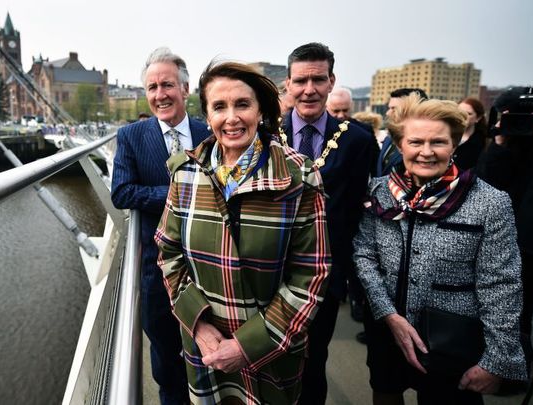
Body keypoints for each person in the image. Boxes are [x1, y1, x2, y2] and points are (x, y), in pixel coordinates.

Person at [154, 61, 330, 404]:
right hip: (207, 348)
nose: (231, 117)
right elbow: (169, 254)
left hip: (272, 352)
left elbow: (311, 275)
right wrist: (199, 326)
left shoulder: (300, 177)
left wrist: (247, 345)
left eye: (242, 104)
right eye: (219, 107)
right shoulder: (186, 174)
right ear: (207, 115)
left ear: (260, 109)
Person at [354, 93, 527, 405]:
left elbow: (501, 285)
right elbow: (364, 255)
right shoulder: (377, 192)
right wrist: (388, 314)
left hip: (453, 342)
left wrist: (496, 359)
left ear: (455, 144)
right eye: (415, 142)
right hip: (386, 331)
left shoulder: (490, 202)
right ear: (399, 144)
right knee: (385, 393)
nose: (426, 152)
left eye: (439, 142)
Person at [111, 47, 209, 405]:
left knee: (213, 361)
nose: (159, 95)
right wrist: (177, 192)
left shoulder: (210, 132)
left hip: (212, 269)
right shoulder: (131, 136)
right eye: (151, 87)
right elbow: (121, 191)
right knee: (167, 367)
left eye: (167, 85)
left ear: (185, 89)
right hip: (158, 272)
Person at [281, 42, 376, 404]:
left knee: (313, 363)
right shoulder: (264, 136)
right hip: (267, 272)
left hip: (325, 276)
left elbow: (358, 212)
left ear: (331, 80)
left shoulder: (358, 141)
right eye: (301, 80)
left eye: (318, 79)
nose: (309, 90)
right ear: (288, 84)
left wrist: (347, 278)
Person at [477, 86, 533, 340]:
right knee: (513, 316)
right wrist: (500, 141)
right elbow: (486, 185)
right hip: (514, 244)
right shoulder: (508, 145)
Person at [376, 88, 428, 177]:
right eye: (389, 108)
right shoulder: (389, 138)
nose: (388, 113)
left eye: (394, 109)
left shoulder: (426, 145)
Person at [454, 97, 486, 169]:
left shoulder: (483, 141)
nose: (463, 116)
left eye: (469, 113)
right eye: (460, 112)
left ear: (478, 118)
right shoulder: (446, 134)